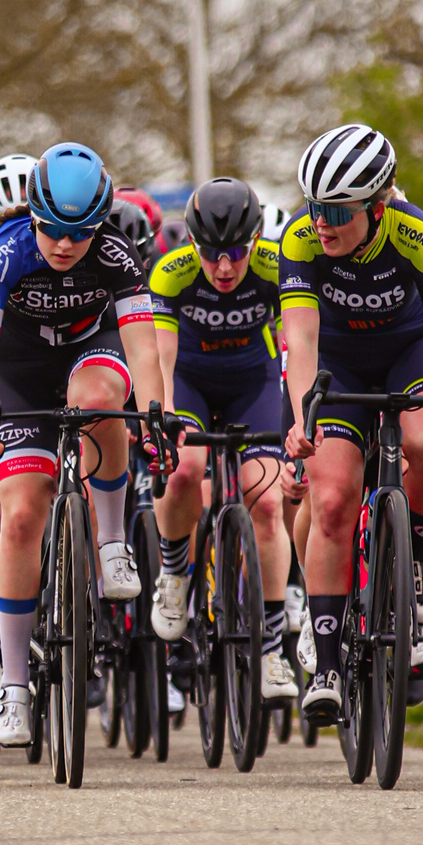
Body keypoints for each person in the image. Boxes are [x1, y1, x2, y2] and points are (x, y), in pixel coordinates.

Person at [280, 124, 423, 710]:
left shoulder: (415, 235)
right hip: (337, 366)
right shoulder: (300, 240)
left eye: (336, 210)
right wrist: (303, 418)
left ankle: (420, 562)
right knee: (330, 499)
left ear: (376, 209)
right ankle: (326, 664)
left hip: (410, 353)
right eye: (313, 205)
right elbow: (299, 341)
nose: (320, 221)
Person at [0, 140, 161, 746]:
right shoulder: (3, 255)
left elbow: (145, 347)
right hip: (17, 373)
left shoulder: (119, 257)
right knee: (21, 514)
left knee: (102, 399)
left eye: (81, 233)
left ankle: (110, 541)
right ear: (33, 215)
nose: (66, 245)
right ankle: (15, 685)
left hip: (88, 354)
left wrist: (155, 417)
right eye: (52, 231)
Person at [147, 175, 296, 702]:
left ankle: (274, 649)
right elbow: (162, 363)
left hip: (251, 383)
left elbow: (295, 350)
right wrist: (164, 418)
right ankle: (173, 572)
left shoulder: (278, 268)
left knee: (269, 504)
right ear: (193, 246)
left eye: (236, 251)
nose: (226, 267)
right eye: (212, 254)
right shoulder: (171, 274)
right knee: (184, 468)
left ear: (254, 241)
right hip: (188, 380)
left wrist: (299, 416)